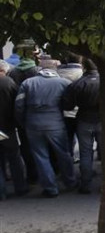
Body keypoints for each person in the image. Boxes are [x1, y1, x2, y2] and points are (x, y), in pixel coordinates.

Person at [14, 63, 76, 197]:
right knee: (63, 153)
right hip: (56, 124)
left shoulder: (28, 83)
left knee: (40, 156)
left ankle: (50, 188)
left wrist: (23, 122)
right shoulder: (64, 82)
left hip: (33, 124)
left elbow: (19, 106)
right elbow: (70, 104)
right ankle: (70, 181)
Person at [62, 58, 101, 194]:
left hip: (84, 120)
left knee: (86, 153)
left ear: (83, 67)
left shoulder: (77, 84)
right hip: (103, 120)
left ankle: (86, 183)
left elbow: (68, 105)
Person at [0, 60, 28, 198]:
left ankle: (1, 192)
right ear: (3, 70)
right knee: (14, 158)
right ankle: (20, 188)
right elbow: (17, 104)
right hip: (8, 127)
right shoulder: (9, 82)